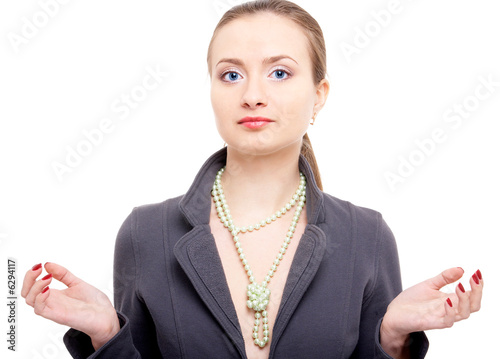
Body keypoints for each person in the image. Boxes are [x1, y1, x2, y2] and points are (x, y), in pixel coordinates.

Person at [22, 1, 483, 358]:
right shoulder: (146, 233)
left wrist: (392, 339)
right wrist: (107, 337)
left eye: (280, 73)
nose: (253, 95)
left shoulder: (368, 235)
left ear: (319, 95)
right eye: (231, 74)